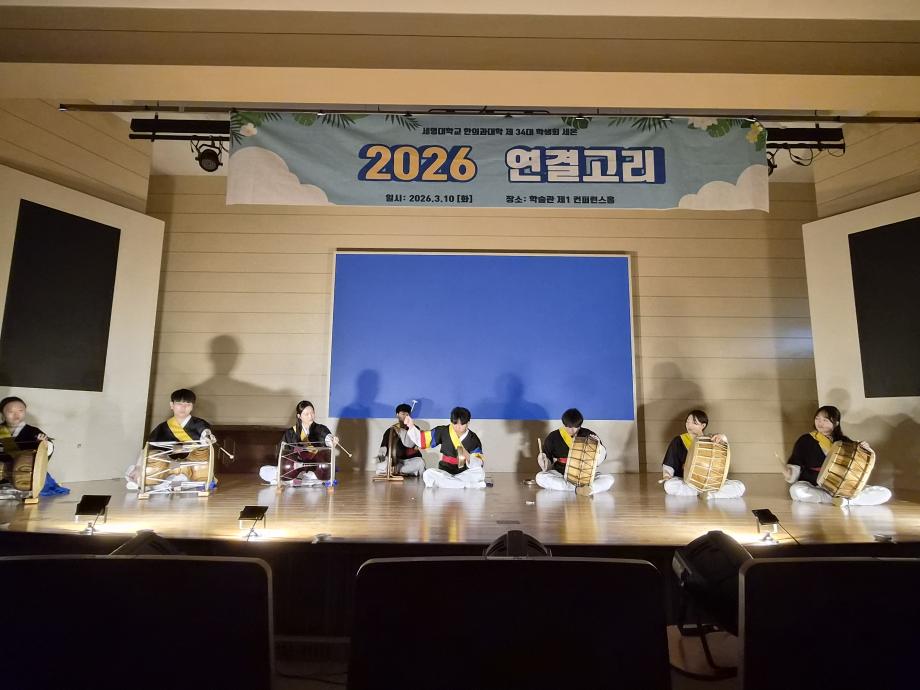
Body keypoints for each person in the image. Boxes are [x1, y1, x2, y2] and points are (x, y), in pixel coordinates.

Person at [784, 405, 891, 506]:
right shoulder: (805, 440)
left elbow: (858, 460)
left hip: (842, 485)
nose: (820, 423)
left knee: (885, 493)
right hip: (815, 484)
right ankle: (841, 500)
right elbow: (796, 462)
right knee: (796, 490)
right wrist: (790, 472)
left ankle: (844, 500)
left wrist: (865, 448)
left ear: (836, 423)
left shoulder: (844, 441)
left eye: (825, 420)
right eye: (817, 419)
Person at [125, 388, 215, 492]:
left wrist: (207, 435)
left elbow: (204, 431)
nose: (183, 407)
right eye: (179, 404)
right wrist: (138, 467)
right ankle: (146, 483)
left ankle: (159, 485)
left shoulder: (199, 423)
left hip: (192, 467)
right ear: (172, 405)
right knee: (152, 468)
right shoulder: (162, 428)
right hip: (167, 467)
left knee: (191, 476)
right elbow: (148, 448)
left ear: (192, 407)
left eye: (188, 404)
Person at [660, 409, 745, 499]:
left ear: (703, 425)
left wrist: (722, 437)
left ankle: (710, 495)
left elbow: (724, 443)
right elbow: (669, 462)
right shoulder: (678, 440)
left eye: (694, 423)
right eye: (688, 422)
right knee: (669, 485)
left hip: (710, 482)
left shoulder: (710, 439)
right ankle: (706, 492)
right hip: (687, 482)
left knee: (740, 487)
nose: (689, 425)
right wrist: (667, 475)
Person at [0, 396, 69, 497]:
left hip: (25, 474)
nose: (16, 414)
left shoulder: (33, 431)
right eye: (11, 411)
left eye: (20, 411)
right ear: (2, 413)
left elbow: (46, 450)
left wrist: (44, 445)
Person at [535, 408, 614, 495]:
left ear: (580, 425)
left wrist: (599, 447)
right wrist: (543, 460)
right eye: (568, 427)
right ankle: (581, 489)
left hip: (585, 475)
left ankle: (588, 489)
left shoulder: (589, 435)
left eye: (575, 427)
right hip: (561, 474)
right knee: (540, 477)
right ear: (564, 424)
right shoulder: (553, 436)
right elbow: (548, 461)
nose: (572, 430)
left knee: (609, 479)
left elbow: (599, 460)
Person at [259, 400, 339, 486]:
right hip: (294, 469)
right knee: (263, 471)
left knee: (322, 473)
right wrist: (296, 453)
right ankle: (302, 481)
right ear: (299, 416)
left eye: (312, 413)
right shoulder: (290, 432)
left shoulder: (320, 429)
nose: (310, 416)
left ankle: (291, 481)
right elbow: (282, 453)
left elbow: (327, 437)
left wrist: (332, 439)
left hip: (314, 469)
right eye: (306, 414)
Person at [405, 406, 486, 489]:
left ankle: (452, 484)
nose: (458, 427)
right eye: (455, 424)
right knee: (428, 474)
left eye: (462, 424)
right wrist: (411, 426)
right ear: (451, 421)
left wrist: (466, 455)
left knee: (480, 473)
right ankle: (465, 485)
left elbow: (478, 463)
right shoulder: (443, 431)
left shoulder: (473, 438)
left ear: (468, 423)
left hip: (463, 472)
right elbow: (423, 440)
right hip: (445, 471)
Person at [376, 403, 424, 477]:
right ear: (397, 415)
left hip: (410, 460)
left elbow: (411, 444)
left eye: (407, 414)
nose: (405, 416)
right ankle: (404, 471)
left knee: (420, 463)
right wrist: (381, 457)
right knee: (383, 465)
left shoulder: (414, 428)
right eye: (403, 414)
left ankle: (397, 470)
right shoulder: (391, 430)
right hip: (395, 461)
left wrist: (401, 431)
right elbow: (383, 447)